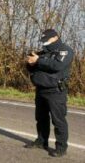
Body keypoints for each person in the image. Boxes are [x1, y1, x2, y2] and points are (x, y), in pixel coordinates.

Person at [25, 29, 74, 157]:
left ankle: (61, 147)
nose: (44, 43)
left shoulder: (65, 50)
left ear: (55, 38)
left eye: (46, 40)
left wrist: (38, 61)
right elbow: (33, 67)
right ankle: (41, 141)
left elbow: (56, 65)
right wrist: (30, 62)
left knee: (58, 120)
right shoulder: (43, 53)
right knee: (41, 118)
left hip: (55, 91)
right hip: (41, 90)